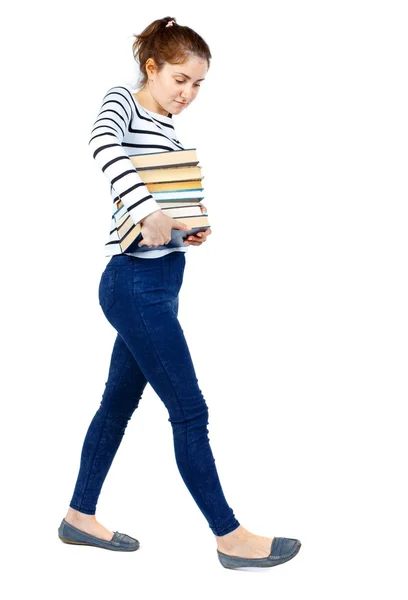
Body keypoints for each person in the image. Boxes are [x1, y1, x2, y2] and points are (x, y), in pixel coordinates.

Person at [57, 16, 301, 570]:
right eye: (179, 80)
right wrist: (148, 210)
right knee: (190, 412)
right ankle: (230, 537)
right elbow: (102, 145)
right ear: (152, 67)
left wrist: (186, 225)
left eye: (197, 84)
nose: (187, 93)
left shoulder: (167, 128)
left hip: (159, 282)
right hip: (133, 285)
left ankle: (78, 517)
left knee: (116, 406)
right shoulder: (122, 99)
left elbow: (160, 200)